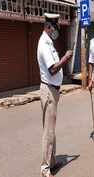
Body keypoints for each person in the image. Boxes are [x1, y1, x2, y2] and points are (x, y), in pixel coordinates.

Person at [37, 13, 73, 177]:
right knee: (48, 131)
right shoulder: (44, 44)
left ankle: (51, 162)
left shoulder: (48, 42)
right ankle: (45, 169)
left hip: (53, 90)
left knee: (51, 129)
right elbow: (52, 69)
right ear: (49, 26)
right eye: (55, 28)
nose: (56, 31)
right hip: (49, 90)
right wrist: (66, 58)